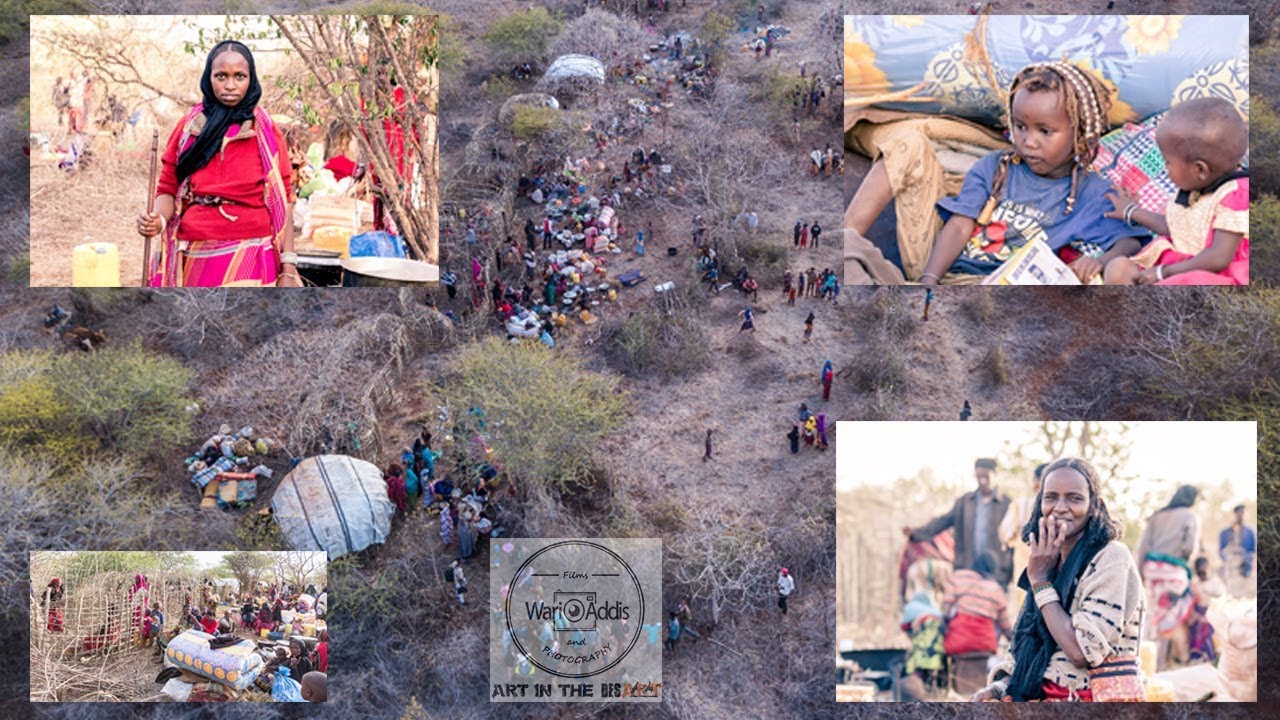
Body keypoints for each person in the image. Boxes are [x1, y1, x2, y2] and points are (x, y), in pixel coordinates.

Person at [847, 61, 1145, 285]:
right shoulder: (995, 166)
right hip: (934, 265)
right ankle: (846, 235)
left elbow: (1130, 241)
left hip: (998, 286)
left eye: (1044, 131)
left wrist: (1099, 261)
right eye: (1020, 127)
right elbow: (960, 225)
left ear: (1080, 133)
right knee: (908, 142)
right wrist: (929, 281)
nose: (1028, 141)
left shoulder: (1091, 192)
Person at [971, 458, 1145, 702]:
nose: (1060, 507)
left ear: (1095, 505)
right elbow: (1027, 642)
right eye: (1051, 497)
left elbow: (1080, 651)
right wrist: (999, 687)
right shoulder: (1046, 558)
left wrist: (1040, 581)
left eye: (1074, 498)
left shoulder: (1112, 557)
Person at [137, 40, 297, 287]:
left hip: (252, 253)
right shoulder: (189, 128)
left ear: (251, 79)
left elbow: (284, 199)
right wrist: (157, 220)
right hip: (195, 253)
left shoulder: (264, 130)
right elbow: (168, 188)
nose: (230, 85)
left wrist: (288, 268)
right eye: (221, 76)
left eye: (239, 76)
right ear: (208, 77)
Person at [1103, 98, 1248, 285]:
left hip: (1210, 273)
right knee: (1118, 268)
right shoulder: (1196, 190)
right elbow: (1180, 228)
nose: (1165, 168)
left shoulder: (1236, 194)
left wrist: (1164, 272)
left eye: (1168, 162)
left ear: (1199, 170)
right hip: (1178, 263)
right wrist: (1131, 211)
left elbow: (1219, 258)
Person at [905, 458, 1013, 587]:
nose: (982, 481)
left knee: (992, 604)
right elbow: (942, 522)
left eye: (986, 476)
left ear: (995, 475)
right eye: (979, 477)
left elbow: (1015, 538)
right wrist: (916, 533)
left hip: (996, 572)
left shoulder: (1007, 504)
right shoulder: (965, 502)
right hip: (967, 569)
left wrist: (1009, 569)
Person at [1136, 484, 1200, 668]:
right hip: (1174, 571)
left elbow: (1143, 546)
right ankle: (1165, 662)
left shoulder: (1157, 516)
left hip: (1152, 570)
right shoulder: (1189, 516)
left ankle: (1157, 661)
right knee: (1173, 612)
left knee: (1159, 612)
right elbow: (1189, 547)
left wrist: (1140, 572)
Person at [942, 551, 1011, 656]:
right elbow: (1006, 627)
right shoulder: (996, 589)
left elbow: (946, 611)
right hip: (986, 644)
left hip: (957, 641)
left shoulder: (958, 577)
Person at [1188, 557, 1224, 663]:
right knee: (1196, 632)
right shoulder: (1195, 583)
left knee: (1208, 632)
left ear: (1209, 568)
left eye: (1204, 571)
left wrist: (1210, 615)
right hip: (1198, 614)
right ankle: (1197, 657)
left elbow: (1221, 600)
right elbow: (1191, 602)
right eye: (1200, 572)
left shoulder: (1216, 583)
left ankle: (1212, 656)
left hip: (1212, 613)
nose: (1202, 574)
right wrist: (1195, 615)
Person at [1219, 503, 1256, 597]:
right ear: (1235, 514)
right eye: (1239, 512)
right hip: (1231, 565)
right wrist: (1228, 560)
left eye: (1243, 512)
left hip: (1246, 566)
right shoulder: (1226, 532)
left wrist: (1246, 559)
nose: (1241, 515)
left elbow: (1253, 550)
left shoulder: (1250, 532)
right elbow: (1221, 550)